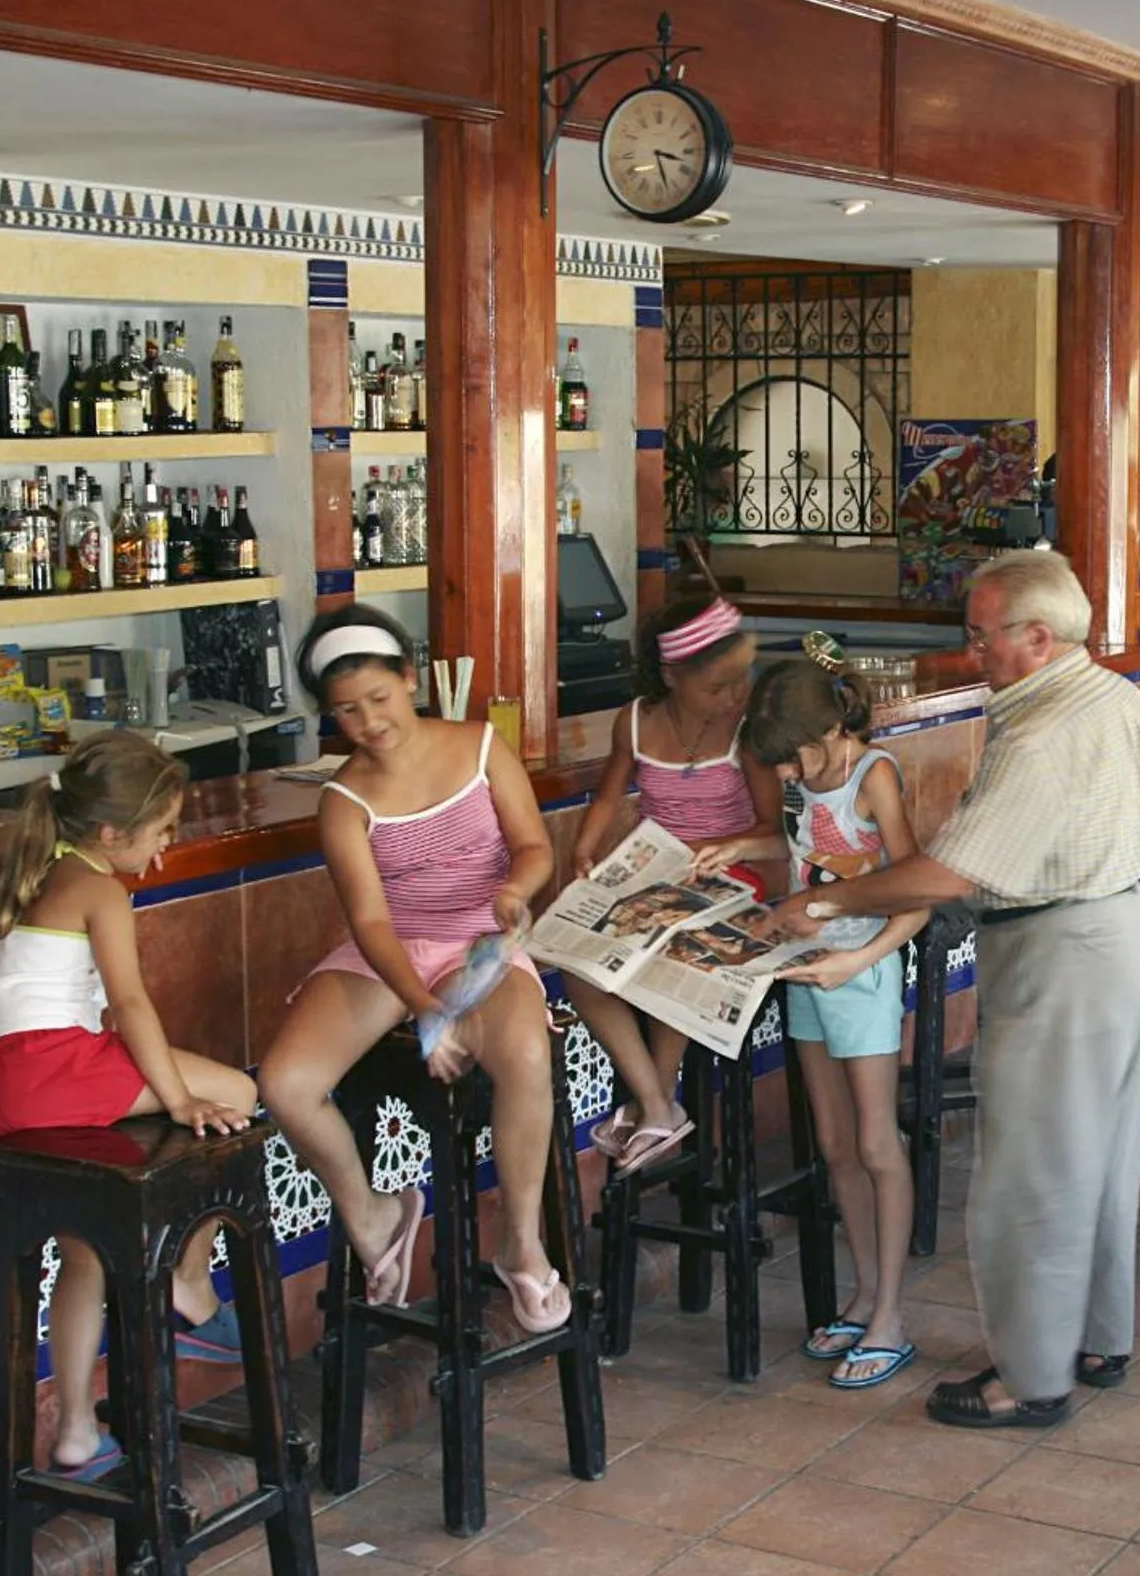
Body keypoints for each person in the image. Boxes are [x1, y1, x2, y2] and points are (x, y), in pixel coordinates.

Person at [765, 549, 1140, 1431]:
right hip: (1120, 932)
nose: (969, 649)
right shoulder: (1105, 692)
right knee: (1098, 1162)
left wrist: (825, 897)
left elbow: (947, 875)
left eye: (982, 636)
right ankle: (1094, 1338)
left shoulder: (1045, 729)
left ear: (1035, 635)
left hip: (1065, 949)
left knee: (1033, 1176)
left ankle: (1029, 1377)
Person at [258, 608, 570, 1333]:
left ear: (409, 679)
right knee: (286, 1083)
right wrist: (423, 1005)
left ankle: (522, 1244)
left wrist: (514, 892)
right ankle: (374, 1211)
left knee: (526, 1054)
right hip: (390, 953)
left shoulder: (482, 746)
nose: (369, 721)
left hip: (480, 943)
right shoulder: (341, 802)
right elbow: (369, 922)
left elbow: (533, 846)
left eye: (379, 698)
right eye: (346, 711)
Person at [0, 733, 260, 1480]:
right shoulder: (100, 886)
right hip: (58, 1068)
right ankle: (189, 1292)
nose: (165, 848)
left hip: (2, 1087)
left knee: (85, 1250)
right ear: (108, 832)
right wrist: (179, 1099)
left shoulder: (31, 860)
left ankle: (73, 1434)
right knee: (240, 1094)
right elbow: (130, 1005)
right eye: (162, 830)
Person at [692, 651, 928, 1389]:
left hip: (859, 975)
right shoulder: (800, 784)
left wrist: (858, 963)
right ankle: (862, 1296)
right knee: (832, 1144)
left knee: (874, 1141)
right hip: (804, 970)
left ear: (828, 732)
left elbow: (914, 890)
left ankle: (890, 1315)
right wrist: (742, 845)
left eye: (791, 762)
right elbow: (808, 849)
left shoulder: (873, 776)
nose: (785, 778)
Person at [563, 590, 780, 1174]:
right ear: (671, 677)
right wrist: (586, 849)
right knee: (580, 968)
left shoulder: (746, 730)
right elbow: (610, 793)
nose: (735, 695)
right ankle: (657, 1103)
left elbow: (773, 830)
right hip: (659, 879)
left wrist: (731, 847)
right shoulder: (634, 721)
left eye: (742, 679)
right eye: (718, 686)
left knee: (667, 951)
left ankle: (652, 1107)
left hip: (732, 881)